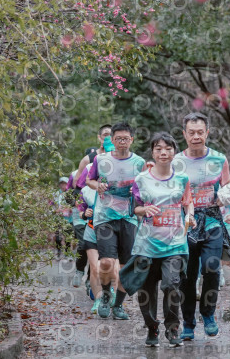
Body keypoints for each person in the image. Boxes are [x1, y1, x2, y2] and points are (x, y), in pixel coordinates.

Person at [122, 132, 196, 347]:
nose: (164, 152)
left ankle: (173, 328)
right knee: (146, 292)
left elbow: (188, 203)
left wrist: (190, 216)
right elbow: (134, 208)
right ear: (153, 152)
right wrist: (144, 210)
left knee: (171, 284)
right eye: (159, 149)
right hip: (146, 244)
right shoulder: (141, 179)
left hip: (175, 244)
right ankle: (151, 326)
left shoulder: (182, 179)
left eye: (168, 148)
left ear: (174, 152)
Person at [172, 112, 230, 340]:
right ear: (184, 134)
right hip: (186, 223)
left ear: (207, 133)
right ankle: (188, 324)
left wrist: (225, 197)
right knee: (187, 275)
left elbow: (228, 187)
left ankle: (208, 314)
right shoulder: (176, 162)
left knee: (211, 266)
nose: (196, 137)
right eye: (192, 133)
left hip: (212, 220)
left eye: (200, 132)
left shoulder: (219, 159)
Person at [86, 121, 146, 320]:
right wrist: (97, 186)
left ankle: (119, 305)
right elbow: (89, 180)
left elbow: (144, 188)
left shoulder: (139, 162)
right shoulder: (101, 160)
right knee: (105, 262)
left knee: (125, 266)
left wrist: (137, 194)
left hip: (129, 218)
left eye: (125, 139)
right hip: (104, 217)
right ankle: (105, 295)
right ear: (111, 140)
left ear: (132, 140)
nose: (122, 142)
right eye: (118, 138)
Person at [76, 163, 115, 314]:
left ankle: (111, 292)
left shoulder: (115, 188)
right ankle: (98, 299)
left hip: (111, 232)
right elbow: (79, 211)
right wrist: (85, 214)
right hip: (92, 231)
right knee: (94, 267)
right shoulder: (85, 191)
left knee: (110, 266)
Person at [66, 170, 89, 290]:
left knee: (97, 247)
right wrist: (74, 202)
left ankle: (90, 278)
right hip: (79, 217)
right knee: (84, 244)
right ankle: (79, 271)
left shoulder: (104, 170)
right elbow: (68, 194)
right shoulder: (74, 174)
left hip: (97, 217)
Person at [53, 176, 73, 259]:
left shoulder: (71, 194)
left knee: (68, 238)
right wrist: (55, 210)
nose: (63, 186)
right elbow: (51, 206)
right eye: (61, 184)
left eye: (65, 184)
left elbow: (76, 206)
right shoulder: (55, 194)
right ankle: (58, 252)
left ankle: (67, 254)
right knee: (58, 238)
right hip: (58, 219)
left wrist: (69, 208)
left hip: (68, 219)